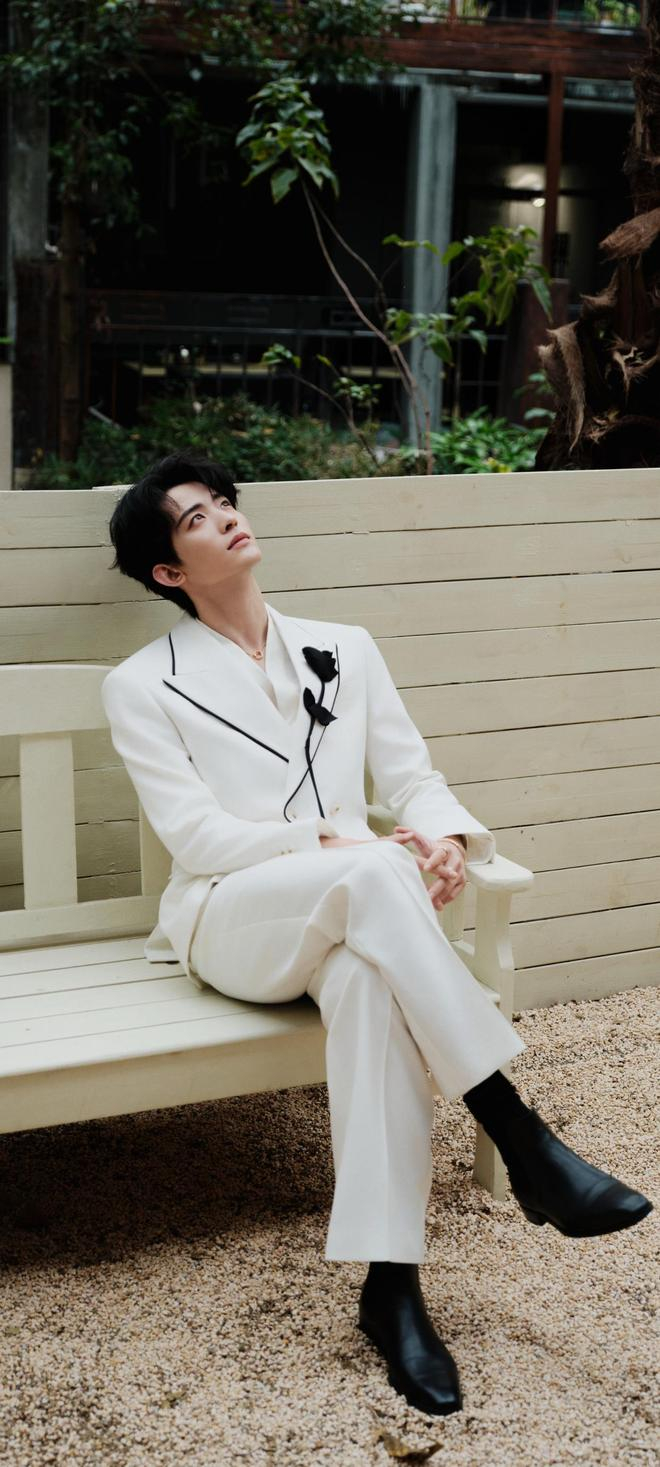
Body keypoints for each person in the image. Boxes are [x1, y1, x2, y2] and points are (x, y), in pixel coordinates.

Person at [102, 451, 653, 1417]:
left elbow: (412, 776)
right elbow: (195, 837)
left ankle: (391, 1288)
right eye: (195, 518)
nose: (225, 516)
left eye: (224, 501)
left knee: (369, 985)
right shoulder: (142, 683)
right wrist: (337, 839)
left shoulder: (344, 647)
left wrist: (442, 839)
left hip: (360, 908)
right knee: (367, 868)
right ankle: (517, 1131)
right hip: (234, 917)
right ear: (168, 570)